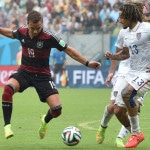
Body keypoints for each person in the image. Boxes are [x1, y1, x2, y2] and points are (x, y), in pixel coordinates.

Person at [0, 10, 101, 139]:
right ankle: (7, 126)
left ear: (42, 24)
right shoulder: (21, 32)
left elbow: (69, 50)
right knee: (8, 89)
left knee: (57, 110)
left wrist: (87, 63)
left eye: (38, 28)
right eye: (32, 28)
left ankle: (45, 121)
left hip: (42, 76)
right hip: (24, 72)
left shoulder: (49, 37)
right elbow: (9, 33)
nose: (36, 31)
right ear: (27, 24)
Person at [96, 2, 146, 148]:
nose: (119, 21)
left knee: (130, 100)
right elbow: (124, 53)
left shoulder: (146, 29)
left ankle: (125, 136)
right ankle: (132, 132)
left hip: (143, 74)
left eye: (121, 17)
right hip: (127, 72)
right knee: (116, 108)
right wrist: (112, 62)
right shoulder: (125, 33)